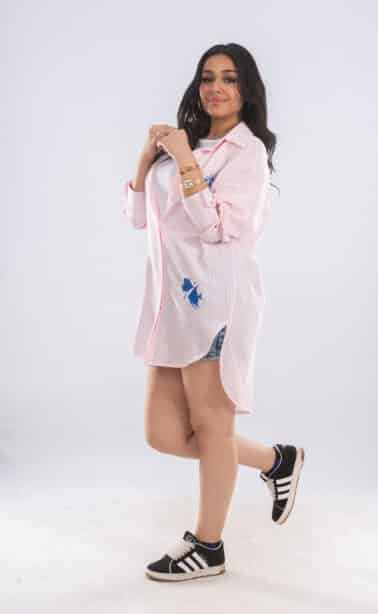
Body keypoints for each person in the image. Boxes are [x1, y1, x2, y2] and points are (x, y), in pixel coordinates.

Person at [122, 43, 305, 582]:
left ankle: (209, 546)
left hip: (214, 306)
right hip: (169, 308)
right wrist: (146, 160)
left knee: (211, 426)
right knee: (163, 433)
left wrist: (182, 160)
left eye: (229, 78)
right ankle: (276, 461)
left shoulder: (246, 153)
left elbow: (217, 228)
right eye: (208, 77)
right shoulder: (189, 142)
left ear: (247, 90)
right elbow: (138, 218)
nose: (216, 88)